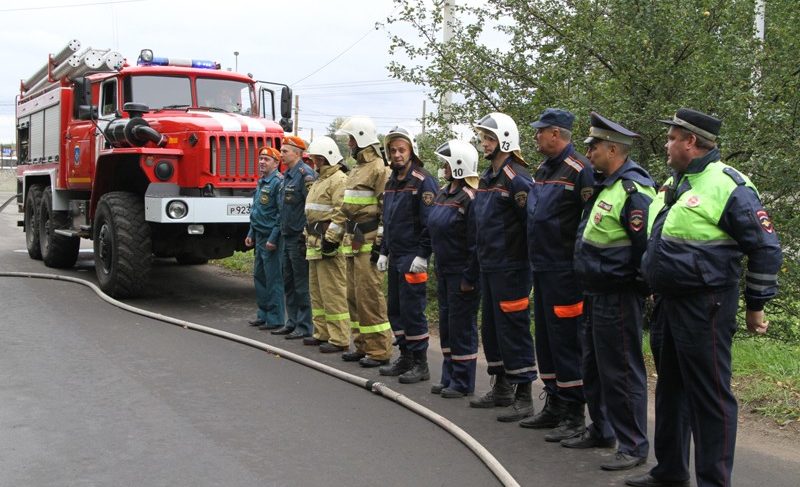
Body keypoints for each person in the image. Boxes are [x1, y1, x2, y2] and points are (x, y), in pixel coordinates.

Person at [626, 108, 782, 487]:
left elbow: (766, 248)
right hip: (668, 303)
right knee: (670, 390)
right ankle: (670, 472)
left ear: (691, 142)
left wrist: (756, 306)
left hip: (706, 306)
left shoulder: (729, 185)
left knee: (710, 397)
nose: (666, 144)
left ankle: (713, 481)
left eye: (671, 138)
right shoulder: (674, 182)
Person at [570, 112, 656, 471]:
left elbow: (645, 249)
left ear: (612, 148)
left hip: (618, 295)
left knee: (621, 370)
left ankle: (633, 444)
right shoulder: (607, 184)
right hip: (595, 291)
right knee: (593, 366)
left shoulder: (634, 189)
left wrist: (634, 287)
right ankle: (602, 428)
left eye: (593, 146)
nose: (588, 152)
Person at [520, 108, 594, 442]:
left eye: (540, 131)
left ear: (555, 134)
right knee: (547, 342)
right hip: (542, 268)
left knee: (568, 343)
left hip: (566, 273)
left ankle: (573, 412)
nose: (535, 137)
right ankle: (553, 403)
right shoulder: (542, 169)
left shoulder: (581, 170)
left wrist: (577, 267)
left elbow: (589, 223)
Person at [469, 112, 538, 422]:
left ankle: (524, 394)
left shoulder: (518, 179)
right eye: (484, 138)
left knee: (513, 329)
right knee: (493, 329)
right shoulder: (487, 177)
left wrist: (527, 268)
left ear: (505, 140)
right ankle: (501, 387)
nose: (484, 143)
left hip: (512, 268)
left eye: (490, 138)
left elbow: (531, 226)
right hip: (490, 265)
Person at [324, 116, 393, 367]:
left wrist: (380, 245)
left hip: (369, 241)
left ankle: (379, 350)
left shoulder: (379, 169)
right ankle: (362, 344)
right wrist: (332, 236)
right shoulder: (356, 170)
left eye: (351, 139)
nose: (349, 144)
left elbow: (387, 208)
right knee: (352, 295)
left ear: (362, 139)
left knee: (369, 297)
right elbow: (345, 207)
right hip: (352, 241)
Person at [376, 126, 439, 384]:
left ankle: (420, 363)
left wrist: (423, 254)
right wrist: (383, 251)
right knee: (396, 310)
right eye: (393, 150)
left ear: (411, 150)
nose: (397, 154)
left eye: (401, 150)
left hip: (413, 257)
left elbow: (430, 222)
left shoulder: (423, 180)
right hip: (396, 256)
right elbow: (389, 221)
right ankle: (405, 356)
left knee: (413, 310)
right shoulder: (391, 181)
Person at [427, 139, 481, 398]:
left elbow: (475, 242)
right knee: (448, 325)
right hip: (444, 270)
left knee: (462, 327)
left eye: (447, 163)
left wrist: (469, 276)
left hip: (462, 273)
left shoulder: (470, 197)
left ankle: (462, 380)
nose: (443, 167)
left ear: (460, 164)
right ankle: (448, 376)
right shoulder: (443, 192)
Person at [302, 136, 351, 353]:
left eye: (316, 159)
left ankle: (339, 338)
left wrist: (331, 240)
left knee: (333, 291)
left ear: (326, 158)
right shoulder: (321, 179)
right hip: (314, 242)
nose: (313, 163)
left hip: (328, 243)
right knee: (317, 290)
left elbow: (341, 212)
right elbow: (313, 212)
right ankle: (322, 332)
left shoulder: (338, 180)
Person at [271, 136, 317, 340]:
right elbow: (283, 209)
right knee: (288, 281)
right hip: (286, 235)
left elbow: (312, 208)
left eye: (285, 151)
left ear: (298, 154)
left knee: (300, 283)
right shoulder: (286, 175)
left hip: (299, 237)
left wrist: (306, 235)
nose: (281, 154)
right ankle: (292, 322)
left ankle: (305, 325)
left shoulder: (305, 175)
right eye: (281, 151)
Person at [245, 147, 285, 331]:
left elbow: (280, 214)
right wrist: (250, 234)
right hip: (259, 235)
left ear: (276, 163)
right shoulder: (262, 182)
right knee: (259, 276)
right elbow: (257, 211)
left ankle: (276, 318)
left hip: (271, 238)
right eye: (260, 158)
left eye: (266, 159)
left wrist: (273, 238)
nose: (262, 162)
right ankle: (263, 314)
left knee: (273, 278)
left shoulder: (278, 183)